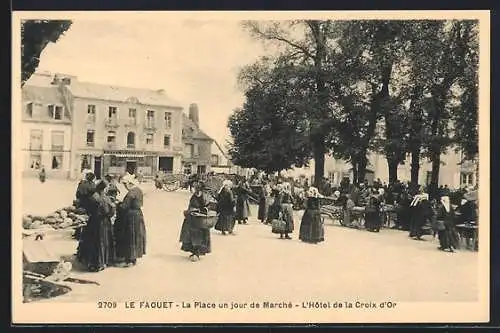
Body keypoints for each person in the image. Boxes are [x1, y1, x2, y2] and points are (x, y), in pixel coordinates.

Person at [78, 180, 115, 271]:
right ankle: (101, 262)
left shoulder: (93, 197)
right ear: (104, 189)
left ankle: (93, 262)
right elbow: (110, 211)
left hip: (93, 221)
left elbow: (87, 209)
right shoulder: (105, 198)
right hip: (103, 222)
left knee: (93, 242)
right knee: (102, 242)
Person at [114, 174, 147, 267]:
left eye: (125, 184)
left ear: (129, 184)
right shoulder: (138, 190)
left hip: (131, 217)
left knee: (130, 237)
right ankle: (133, 259)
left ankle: (129, 260)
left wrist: (117, 204)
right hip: (138, 215)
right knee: (136, 236)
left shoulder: (131, 193)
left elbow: (125, 206)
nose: (125, 186)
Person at [179, 183, 212, 261]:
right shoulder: (194, 195)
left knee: (198, 236)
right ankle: (194, 252)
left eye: (194, 187)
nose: (192, 188)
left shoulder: (204, 196)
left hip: (199, 219)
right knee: (190, 235)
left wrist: (198, 210)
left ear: (198, 189)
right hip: (192, 217)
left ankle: (196, 253)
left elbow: (207, 207)